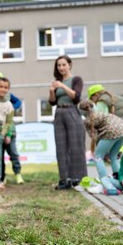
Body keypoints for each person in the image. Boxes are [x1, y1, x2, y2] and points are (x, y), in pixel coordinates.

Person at [49, 55, 87, 190]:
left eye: (63, 65)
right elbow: (52, 102)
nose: (61, 68)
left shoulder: (76, 79)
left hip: (72, 111)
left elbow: (76, 97)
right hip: (59, 113)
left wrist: (62, 87)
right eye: (59, 65)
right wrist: (52, 91)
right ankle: (64, 179)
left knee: (76, 145)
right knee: (61, 147)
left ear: (69, 65)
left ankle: (79, 178)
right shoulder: (56, 82)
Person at [79, 100, 123, 185]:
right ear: (94, 107)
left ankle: (104, 180)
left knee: (98, 156)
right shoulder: (101, 114)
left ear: (82, 112)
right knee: (113, 155)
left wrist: (101, 150)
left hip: (112, 131)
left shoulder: (87, 121)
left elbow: (94, 137)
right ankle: (118, 178)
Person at [0, 70, 24, 185]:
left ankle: (17, 173)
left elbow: (9, 119)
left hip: (8, 132)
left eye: (5, 87)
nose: (2, 89)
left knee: (13, 153)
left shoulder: (8, 100)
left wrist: (6, 134)